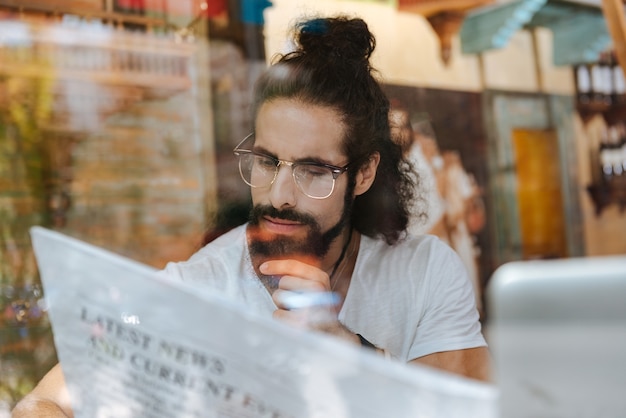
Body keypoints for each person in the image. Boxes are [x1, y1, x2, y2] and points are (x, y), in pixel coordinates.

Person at [12, 15, 490, 417]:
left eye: (313, 169)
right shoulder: (203, 284)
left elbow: (464, 410)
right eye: (266, 162)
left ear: (363, 174)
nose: (279, 194)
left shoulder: (424, 273)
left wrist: (352, 355)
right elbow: (44, 401)